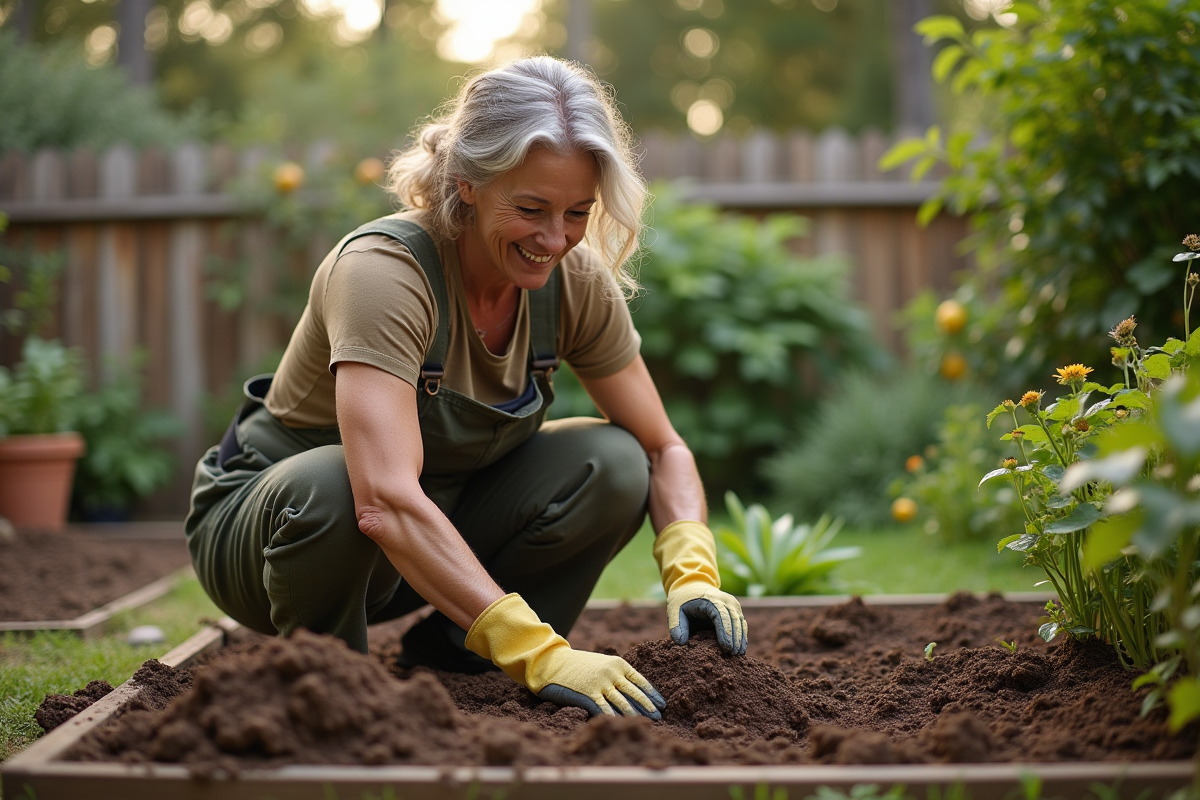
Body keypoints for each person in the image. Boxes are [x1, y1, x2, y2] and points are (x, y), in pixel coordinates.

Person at [185, 56, 747, 720]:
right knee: (339, 484)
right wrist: (543, 653)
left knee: (615, 462)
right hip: (275, 539)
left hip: (429, 533)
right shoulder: (384, 274)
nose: (556, 238)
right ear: (468, 184)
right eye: (532, 208)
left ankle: (460, 659)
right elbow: (383, 502)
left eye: (577, 212)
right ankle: (329, 682)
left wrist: (692, 575)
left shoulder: (574, 282)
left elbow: (662, 449)